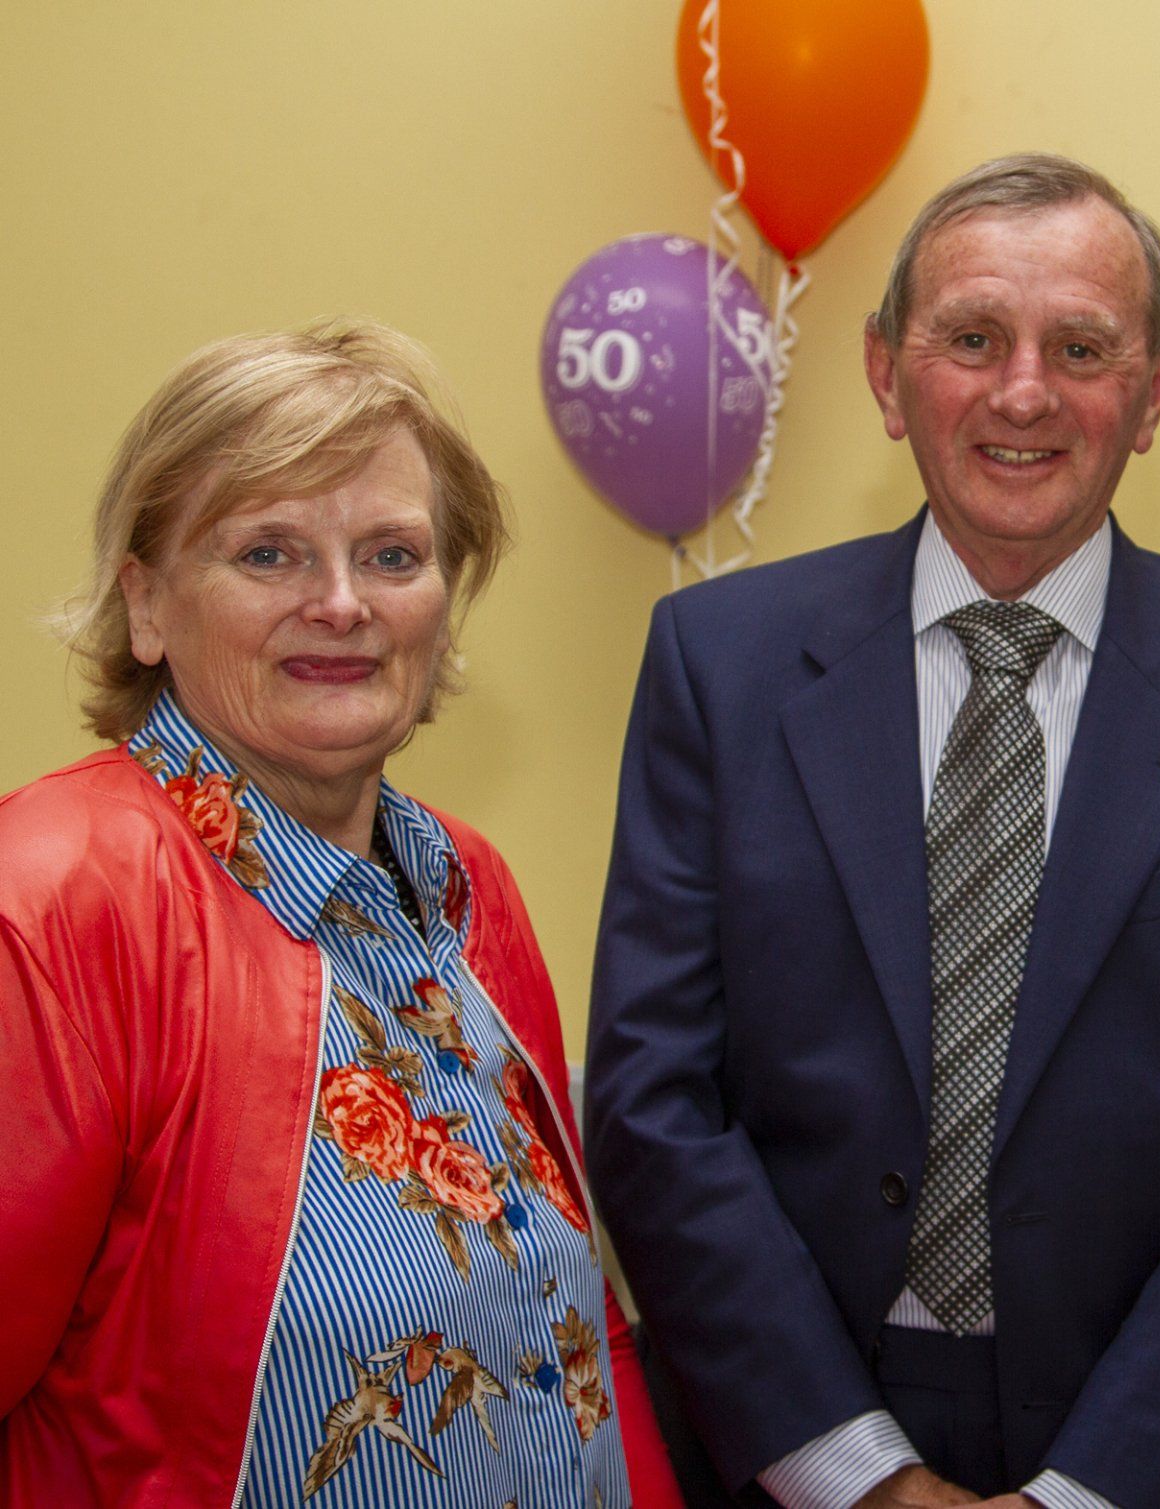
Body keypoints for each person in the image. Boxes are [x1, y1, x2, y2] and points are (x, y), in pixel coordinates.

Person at [586, 153, 1160, 1509]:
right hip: (789, 1430)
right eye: (971, 338)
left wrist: (1081, 1494)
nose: (1025, 392)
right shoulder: (715, 665)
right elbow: (653, 1100)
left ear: (1154, 392)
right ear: (886, 370)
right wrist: (862, 1478)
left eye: (1081, 346)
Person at [0, 321, 681, 1508]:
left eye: (392, 555)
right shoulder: (55, 901)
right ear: (146, 604)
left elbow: (580, 1343)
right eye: (267, 554)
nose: (339, 603)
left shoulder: (468, 888)